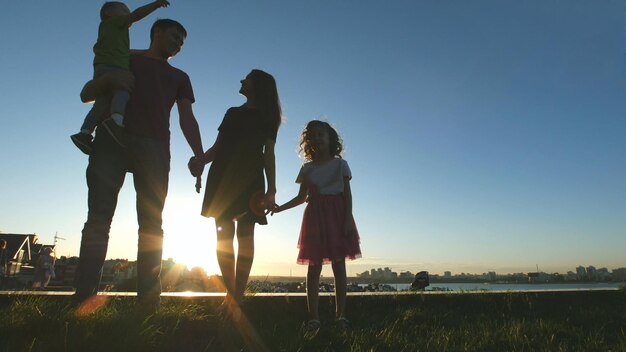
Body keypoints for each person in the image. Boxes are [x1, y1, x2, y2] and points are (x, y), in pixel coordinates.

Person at [74, 19, 204, 311]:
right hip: (112, 140)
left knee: (151, 225)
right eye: (174, 37)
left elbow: (187, 118)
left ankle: (148, 304)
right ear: (156, 33)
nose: (178, 44)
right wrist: (109, 81)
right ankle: (83, 298)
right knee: (98, 219)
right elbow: (87, 94)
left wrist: (199, 154)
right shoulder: (125, 58)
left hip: (155, 147)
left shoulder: (180, 76)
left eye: (182, 42)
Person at [188, 69, 281, 316]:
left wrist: (271, 189)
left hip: (250, 182)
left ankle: (237, 294)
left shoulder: (268, 117)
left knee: (245, 235)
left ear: (258, 85)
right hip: (222, 181)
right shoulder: (232, 113)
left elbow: (268, 154)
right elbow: (217, 149)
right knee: (223, 237)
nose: (241, 80)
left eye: (247, 77)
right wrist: (200, 161)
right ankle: (232, 293)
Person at [272, 120, 361, 334]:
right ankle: (314, 318)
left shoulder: (341, 165)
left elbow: (347, 194)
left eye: (321, 134)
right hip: (314, 219)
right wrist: (279, 208)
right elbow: (301, 198)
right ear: (308, 142)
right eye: (313, 135)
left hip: (337, 215)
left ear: (331, 138)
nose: (317, 138)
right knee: (314, 268)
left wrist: (348, 218)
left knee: (339, 266)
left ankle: (341, 316)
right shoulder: (307, 168)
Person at [70, 0, 170, 155]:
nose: (127, 14)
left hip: (102, 68)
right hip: (112, 68)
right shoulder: (113, 23)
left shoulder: (112, 34)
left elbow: (126, 52)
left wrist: (146, 52)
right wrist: (155, 5)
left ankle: (84, 132)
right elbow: (136, 15)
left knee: (101, 103)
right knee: (123, 90)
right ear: (109, 14)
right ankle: (116, 122)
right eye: (123, 10)